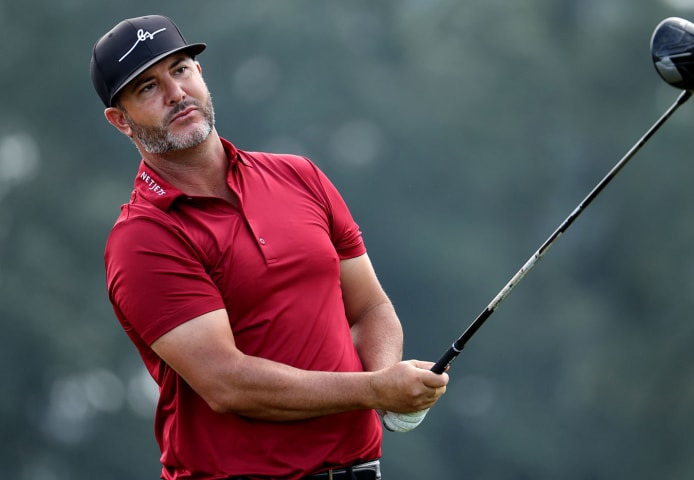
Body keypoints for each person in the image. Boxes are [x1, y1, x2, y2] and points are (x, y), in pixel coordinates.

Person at [90, 14, 449, 480]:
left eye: (180, 70)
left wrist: (388, 385)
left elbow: (369, 308)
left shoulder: (299, 175)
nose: (175, 94)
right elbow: (228, 384)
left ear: (201, 74)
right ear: (121, 121)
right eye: (148, 88)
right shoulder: (143, 238)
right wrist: (375, 389)